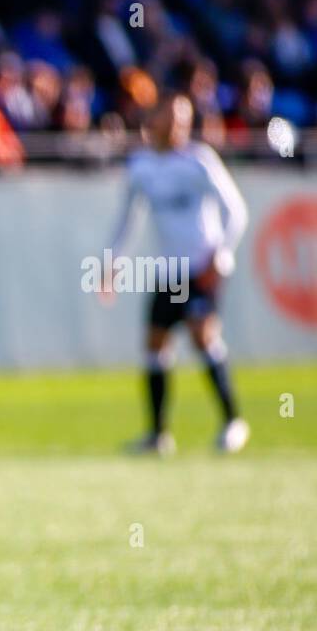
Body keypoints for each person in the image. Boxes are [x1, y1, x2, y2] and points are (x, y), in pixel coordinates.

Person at [105, 93, 250, 455]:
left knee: (204, 338)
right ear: (153, 119)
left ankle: (233, 422)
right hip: (169, 271)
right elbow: (128, 219)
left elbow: (236, 210)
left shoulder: (199, 161)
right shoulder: (142, 166)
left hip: (202, 269)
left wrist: (221, 256)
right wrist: (112, 262)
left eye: (184, 119)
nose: (179, 126)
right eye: (171, 117)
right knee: (155, 345)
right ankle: (158, 434)